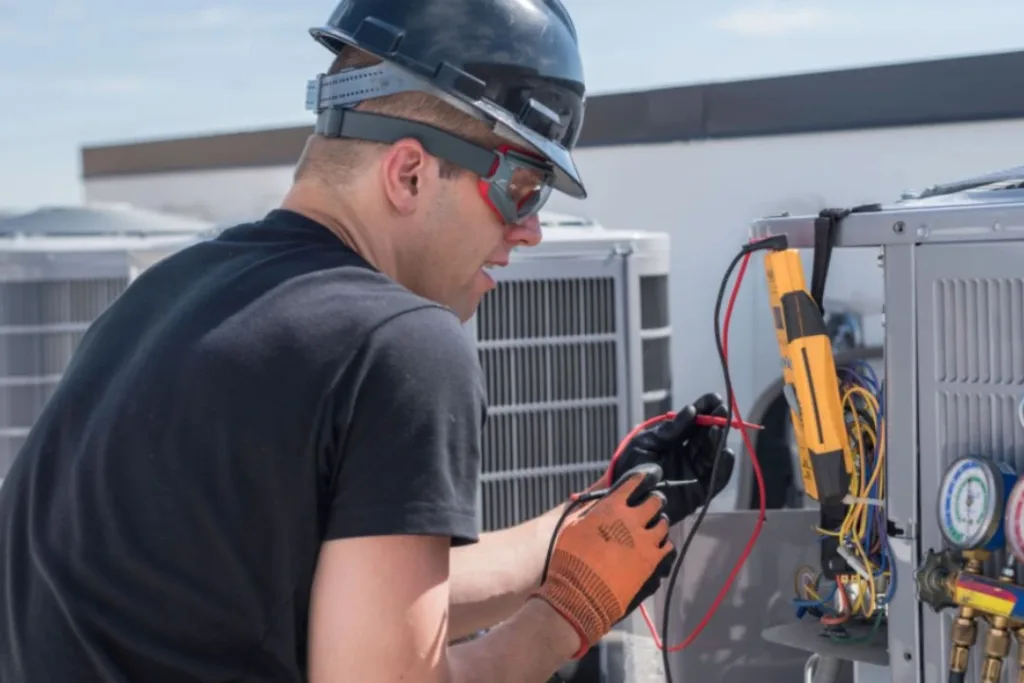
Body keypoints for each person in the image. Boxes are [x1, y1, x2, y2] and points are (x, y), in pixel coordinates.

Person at [0, 0, 736, 681]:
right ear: (409, 172)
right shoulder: (400, 345)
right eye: (521, 186)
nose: (532, 228)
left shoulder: (160, 300)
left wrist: (592, 521)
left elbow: (355, 592)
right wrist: (564, 618)